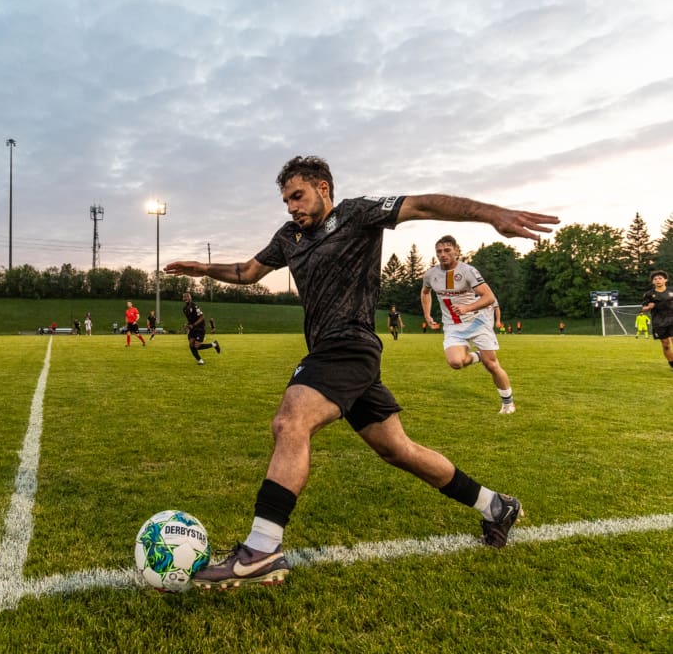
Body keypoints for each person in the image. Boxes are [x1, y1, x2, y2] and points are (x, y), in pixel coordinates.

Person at [164, 155, 557, 589]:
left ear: (323, 188)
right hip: (340, 356)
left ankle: (261, 549)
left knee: (290, 421)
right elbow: (247, 272)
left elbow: (424, 205)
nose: (291, 207)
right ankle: (497, 506)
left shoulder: (358, 213)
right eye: (285, 200)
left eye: (297, 196)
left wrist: (493, 215)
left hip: (347, 346)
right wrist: (204, 269)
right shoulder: (289, 236)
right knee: (399, 451)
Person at [422, 236, 517, 415]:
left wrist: (467, 307)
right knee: (455, 362)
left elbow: (489, 297)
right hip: (453, 326)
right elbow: (425, 292)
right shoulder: (431, 274)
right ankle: (478, 356)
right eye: (439, 252)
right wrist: (427, 314)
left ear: (457, 251)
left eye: (447, 250)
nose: (443, 255)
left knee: (492, 364)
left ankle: (508, 403)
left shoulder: (468, 271)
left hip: (477, 322)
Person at [641, 270, 673, 370]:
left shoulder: (671, 291)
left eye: (660, 278)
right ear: (652, 282)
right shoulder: (649, 294)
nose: (658, 280)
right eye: (655, 279)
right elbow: (643, 308)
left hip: (672, 319)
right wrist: (649, 307)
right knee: (666, 345)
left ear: (665, 280)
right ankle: (672, 363)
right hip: (659, 322)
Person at [182, 292, 221, 365]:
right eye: (184, 297)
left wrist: (193, 325)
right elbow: (189, 319)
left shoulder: (195, 306)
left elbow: (202, 317)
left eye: (187, 296)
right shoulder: (184, 309)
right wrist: (186, 325)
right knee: (191, 344)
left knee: (197, 346)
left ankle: (214, 344)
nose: (185, 298)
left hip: (200, 328)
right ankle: (200, 360)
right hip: (192, 328)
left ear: (190, 298)